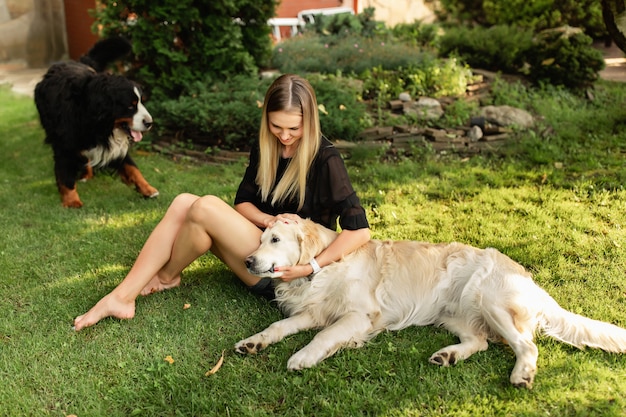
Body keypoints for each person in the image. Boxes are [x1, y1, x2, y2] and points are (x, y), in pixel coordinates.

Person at [73, 74, 371, 331]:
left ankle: (148, 284)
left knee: (201, 208)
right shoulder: (267, 147)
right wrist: (270, 220)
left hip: (288, 272)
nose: (284, 136)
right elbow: (243, 203)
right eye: (276, 126)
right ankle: (147, 285)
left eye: (294, 129)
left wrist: (310, 267)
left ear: (310, 121)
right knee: (183, 202)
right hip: (264, 240)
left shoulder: (325, 158)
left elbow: (360, 231)